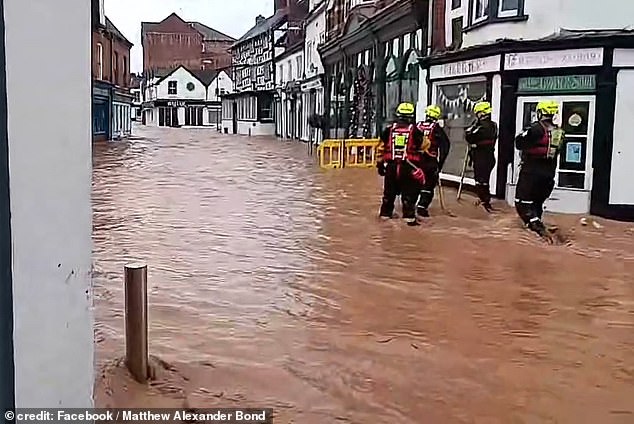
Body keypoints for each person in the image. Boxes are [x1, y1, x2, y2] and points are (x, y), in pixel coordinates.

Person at [514, 100, 565, 240]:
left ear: (540, 112)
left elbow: (518, 142)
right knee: (537, 203)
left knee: (522, 203)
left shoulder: (536, 128)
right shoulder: (559, 132)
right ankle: (537, 225)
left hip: (531, 172)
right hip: (548, 175)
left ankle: (539, 232)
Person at [376, 102, 427, 226]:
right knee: (409, 194)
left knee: (388, 194)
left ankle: (385, 216)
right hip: (409, 167)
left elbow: (380, 148)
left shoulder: (388, 130)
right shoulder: (415, 131)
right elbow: (425, 145)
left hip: (391, 167)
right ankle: (409, 219)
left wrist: (379, 164)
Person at [415, 105, 451, 217]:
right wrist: (440, 163)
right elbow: (445, 146)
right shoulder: (436, 128)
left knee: (416, 182)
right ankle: (422, 206)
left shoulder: (417, 126)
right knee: (429, 185)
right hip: (430, 160)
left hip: (416, 160)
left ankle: (410, 204)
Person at [465, 101, 498, 212]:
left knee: (480, 180)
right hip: (490, 156)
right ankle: (485, 199)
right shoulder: (494, 125)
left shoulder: (481, 126)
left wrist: (471, 129)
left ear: (481, 113)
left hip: (481, 156)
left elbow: (469, 136)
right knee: (485, 179)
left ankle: (484, 201)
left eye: (478, 113)